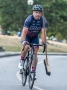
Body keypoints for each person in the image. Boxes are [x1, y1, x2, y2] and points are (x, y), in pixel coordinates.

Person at [19, 4, 48, 78]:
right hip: (27, 36)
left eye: (39, 12)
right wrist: (24, 41)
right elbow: (24, 31)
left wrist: (44, 42)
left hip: (35, 36)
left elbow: (43, 32)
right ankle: (22, 60)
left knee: (35, 52)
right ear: (33, 12)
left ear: (41, 13)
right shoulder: (29, 19)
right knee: (26, 46)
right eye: (36, 12)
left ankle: (33, 70)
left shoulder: (43, 20)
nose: (37, 14)